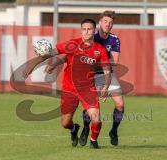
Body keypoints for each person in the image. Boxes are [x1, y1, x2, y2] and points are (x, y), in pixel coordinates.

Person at [23, 19, 111, 149]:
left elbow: (107, 71)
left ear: (95, 31)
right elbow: (50, 54)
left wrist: (106, 86)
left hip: (88, 89)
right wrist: (32, 65)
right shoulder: (72, 44)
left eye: (89, 29)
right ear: (81, 30)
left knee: (96, 118)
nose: (86, 32)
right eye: (84, 29)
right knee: (65, 123)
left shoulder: (100, 49)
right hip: (69, 89)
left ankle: (93, 141)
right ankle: (74, 129)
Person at [45, 11, 124, 146]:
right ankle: (86, 129)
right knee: (90, 107)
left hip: (105, 73)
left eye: (110, 22)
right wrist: (56, 64)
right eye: (105, 21)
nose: (108, 24)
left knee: (120, 104)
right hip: (89, 75)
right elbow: (70, 55)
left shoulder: (114, 39)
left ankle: (114, 131)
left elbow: (115, 61)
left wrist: (96, 59)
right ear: (100, 23)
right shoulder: (90, 35)